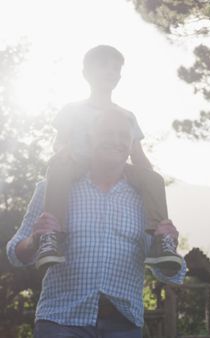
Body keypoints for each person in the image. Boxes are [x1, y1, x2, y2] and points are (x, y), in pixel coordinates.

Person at [6, 110, 186, 337]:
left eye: (123, 135)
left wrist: (170, 247)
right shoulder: (52, 190)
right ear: (90, 138)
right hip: (60, 322)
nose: (116, 140)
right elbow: (14, 253)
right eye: (107, 133)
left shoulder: (146, 200)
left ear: (131, 144)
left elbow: (169, 274)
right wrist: (34, 240)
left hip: (124, 326)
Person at [35, 45, 181, 274]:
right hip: (79, 162)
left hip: (117, 167)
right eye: (103, 66)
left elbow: (137, 154)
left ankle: (161, 240)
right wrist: (63, 151)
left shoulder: (127, 116)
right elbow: (60, 141)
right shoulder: (73, 109)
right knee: (59, 167)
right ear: (86, 73)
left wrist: (148, 178)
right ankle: (52, 235)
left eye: (115, 69)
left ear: (120, 77)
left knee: (154, 179)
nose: (110, 72)